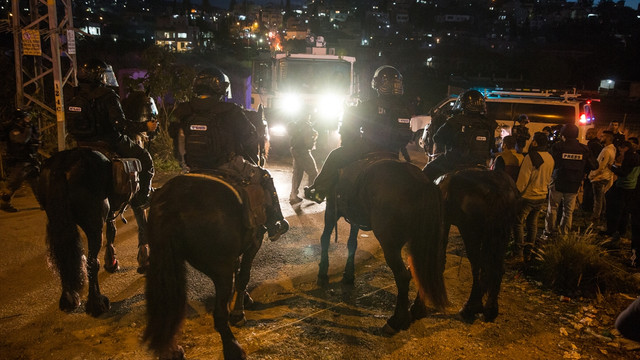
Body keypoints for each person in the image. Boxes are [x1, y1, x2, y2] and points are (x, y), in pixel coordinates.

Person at [172, 67, 289, 241]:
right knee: (265, 176)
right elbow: (250, 137)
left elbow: (173, 133)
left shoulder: (183, 110)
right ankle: (274, 223)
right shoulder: (231, 110)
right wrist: (249, 159)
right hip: (225, 165)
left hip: (192, 167)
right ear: (220, 88)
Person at [304, 65, 413, 203]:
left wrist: (350, 143)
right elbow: (406, 136)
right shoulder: (404, 109)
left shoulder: (369, 105)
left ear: (378, 84)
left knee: (335, 156)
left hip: (367, 148)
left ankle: (319, 191)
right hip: (393, 153)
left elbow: (350, 127)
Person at [66, 59, 156, 209]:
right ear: (98, 76)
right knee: (145, 158)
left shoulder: (74, 94)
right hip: (109, 140)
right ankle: (143, 198)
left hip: (82, 142)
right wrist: (145, 126)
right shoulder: (108, 95)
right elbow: (119, 124)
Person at [422, 89, 497, 182]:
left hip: (454, 163)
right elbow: (492, 147)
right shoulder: (489, 124)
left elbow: (437, 138)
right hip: (481, 164)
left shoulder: (455, 121)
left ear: (464, 105)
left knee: (426, 173)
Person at [542, 123, 597, 238]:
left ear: (563, 134)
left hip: (558, 181)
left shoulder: (558, 146)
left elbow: (550, 161)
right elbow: (594, 165)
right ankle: (564, 234)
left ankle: (549, 232)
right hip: (574, 183)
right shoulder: (584, 149)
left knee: (552, 208)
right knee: (568, 211)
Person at [514, 132, 554, 261]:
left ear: (535, 142)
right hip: (541, 196)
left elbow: (523, 179)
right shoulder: (550, 157)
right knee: (532, 223)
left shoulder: (531, 157)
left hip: (528, 195)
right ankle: (529, 251)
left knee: (518, 222)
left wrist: (516, 193)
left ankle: (519, 253)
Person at [0, 109, 40, 212]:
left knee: (36, 182)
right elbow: (22, 140)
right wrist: (28, 129)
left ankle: (43, 202)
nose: (28, 120)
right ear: (19, 119)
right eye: (26, 118)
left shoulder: (25, 128)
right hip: (20, 161)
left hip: (29, 160)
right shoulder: (14, 130)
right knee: (13, 184)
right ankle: (4, 203)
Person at [600, 141, 640, 243]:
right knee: (625, 210)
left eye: (620, 150)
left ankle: (612, 230)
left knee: (614, 208)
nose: (620, 152)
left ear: (624, 148)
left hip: (623, 186)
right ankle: (621, 231)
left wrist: (612, 168)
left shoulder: (629, 157)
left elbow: (624, 173)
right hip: (631, 187)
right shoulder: (636, 156)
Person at [288, 111, 318, 205]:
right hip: (303, 151)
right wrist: (313, 139)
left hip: (295, 150)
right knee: (313, 172)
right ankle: (310, 193)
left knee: (297, 173)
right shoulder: (306, 125)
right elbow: (308, 140)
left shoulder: (298, 123)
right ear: (307, 115)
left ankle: (293, 195)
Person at [588, 131, 616, 225]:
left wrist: (592, 175)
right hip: (605, 176)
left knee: (598, 199)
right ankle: (603, 214)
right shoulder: (612, 149)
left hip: (599, 177)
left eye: (603, 136)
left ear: (608, 138)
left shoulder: (606, 150)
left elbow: (601, 166)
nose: (600, 137)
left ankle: (596, 217)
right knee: (602, 197)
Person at [581, 128, 603, 212]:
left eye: (588, 133)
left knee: (588, 190)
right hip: (593, 170)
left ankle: (587, 207)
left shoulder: (593, 145)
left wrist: (586, 171)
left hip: (591, 171)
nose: (586, 135)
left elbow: (589, 159)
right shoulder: (597, 144)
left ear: (592, 134)